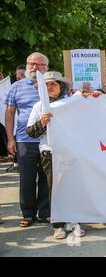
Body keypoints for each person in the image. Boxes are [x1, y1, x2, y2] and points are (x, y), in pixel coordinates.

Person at [26, 71, 86, 239]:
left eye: (54, 84)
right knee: (56, 189)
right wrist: (43, 122)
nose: (50, 87)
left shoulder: (70, 104)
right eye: (46, 85)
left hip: (71, 151)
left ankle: (75, 222)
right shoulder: (39, 107)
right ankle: (58, 225)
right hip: (50, 152)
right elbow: (31, 132)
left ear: (61, 86)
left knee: (73, 187)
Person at [4, 52, 50, 227]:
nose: (34, 67)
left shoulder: (52, 86)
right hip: (24, 140)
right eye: (31, 64)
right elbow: (9, 113)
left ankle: (45, 212)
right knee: (27, 179)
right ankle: (28, 213)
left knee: (46, 178)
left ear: (46, 67)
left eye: (39, 65)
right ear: (26, 65)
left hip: (48, 140)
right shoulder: (17, 87)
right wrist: (10, 139)